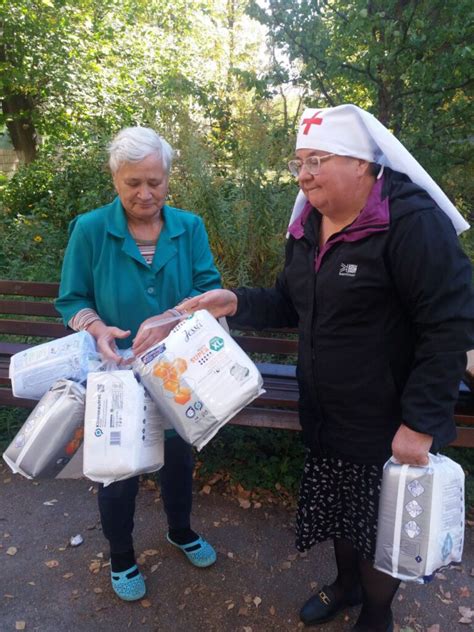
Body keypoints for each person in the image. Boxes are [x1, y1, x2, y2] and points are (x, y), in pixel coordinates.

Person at [177, 105, 474, 631]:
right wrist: (235, 302)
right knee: (342, 511)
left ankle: (377, 613)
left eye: (317, 159)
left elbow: (449, 327)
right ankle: (345, 586)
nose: (303, 174)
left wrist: (420, 424)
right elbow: (293, 303)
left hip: (387, 417)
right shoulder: (307, 227)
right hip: (326, 409)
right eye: (299, 162)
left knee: (379, 526)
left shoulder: (412, 224)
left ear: (362, 164)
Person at [56, 126, 221, 602]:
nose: (145, 193)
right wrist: (97, 328)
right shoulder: (91, 229)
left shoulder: (189, 227)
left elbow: (207, 289)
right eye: (134, 183)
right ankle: (122, 556)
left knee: (177, 460)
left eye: (155, 181)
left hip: (175, 370)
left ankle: (181, 531)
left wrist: (173, 317)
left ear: (168, 178)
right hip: (117, 377)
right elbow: (72, 299)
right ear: (115, 180)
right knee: (117, 472)